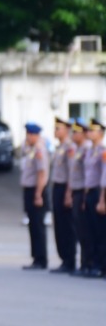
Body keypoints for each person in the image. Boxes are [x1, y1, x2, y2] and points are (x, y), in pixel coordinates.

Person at [18, 122, 49, 271]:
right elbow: (21, 151)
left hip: (37, 191)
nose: (27, 137)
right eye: (27, 134)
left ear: (36, 135)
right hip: (29, 190)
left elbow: (42, 174)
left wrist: (38, 194)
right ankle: (36, 257)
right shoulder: (30, 149)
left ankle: (41, 259)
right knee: (32, 226)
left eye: (30, 134)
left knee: (38, 226)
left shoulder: (39, 150)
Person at [50, 116, 76, 274]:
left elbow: (72, 172)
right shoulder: (59, 147)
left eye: (58, 128)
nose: (55, 131)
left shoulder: (69, 147)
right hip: (57, 187)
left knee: (67, 226)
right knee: (59, 225)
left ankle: (69, 260)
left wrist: (68, 193)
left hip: (65, 188)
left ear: (66, 130)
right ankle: (64, 259)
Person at [66, 120, 92, 276]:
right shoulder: (78, 149)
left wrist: (84, 196)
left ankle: (87, 263)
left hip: (83, 191)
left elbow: (88, 175)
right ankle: (83, 263)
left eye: (76, 132)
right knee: (79, 230)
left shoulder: (87, 149)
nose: (73, 134)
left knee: (85, 231)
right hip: (77, 191)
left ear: (84, 134)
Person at [81, 119, 106, 280]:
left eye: (92, 130)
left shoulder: (103, 151)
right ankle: (94, 264)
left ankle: (101, 266)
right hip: (90, 193)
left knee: (100, 232)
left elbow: (104, 177)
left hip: (99, 193)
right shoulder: (90, 151)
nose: (89, 133)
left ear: (100, 133)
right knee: (91, 231)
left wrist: (102, 200)